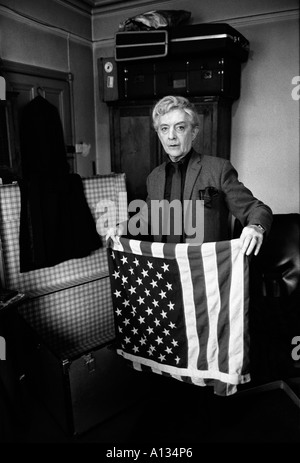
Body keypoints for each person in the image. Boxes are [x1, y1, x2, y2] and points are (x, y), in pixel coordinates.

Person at [107, 95, 273, 255]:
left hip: (204, 271)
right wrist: (123, 227)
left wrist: (256, 227)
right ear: (159, 134)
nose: (171, 136)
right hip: (165, 270)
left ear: (193, 132)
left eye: (180, 127)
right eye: (164, 129)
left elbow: (257, 209)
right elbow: (147, 216)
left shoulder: (218, 169)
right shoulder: (154, 177)